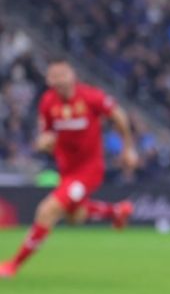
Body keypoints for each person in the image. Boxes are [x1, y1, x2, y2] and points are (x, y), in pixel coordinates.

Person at [1, 61, 136, 278]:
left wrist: (128, 148)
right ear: (49, 81)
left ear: (73, 76)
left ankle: (13, 265)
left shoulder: (91, 97)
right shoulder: (48, 102)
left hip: (89, 170)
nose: (59, 81)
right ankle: (117, 211)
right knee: (75, 217)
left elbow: (119, 116)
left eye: (62, 75)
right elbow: (45, 135)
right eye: (54, 77)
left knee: (47, 210)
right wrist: (43, 143)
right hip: (67, 171)